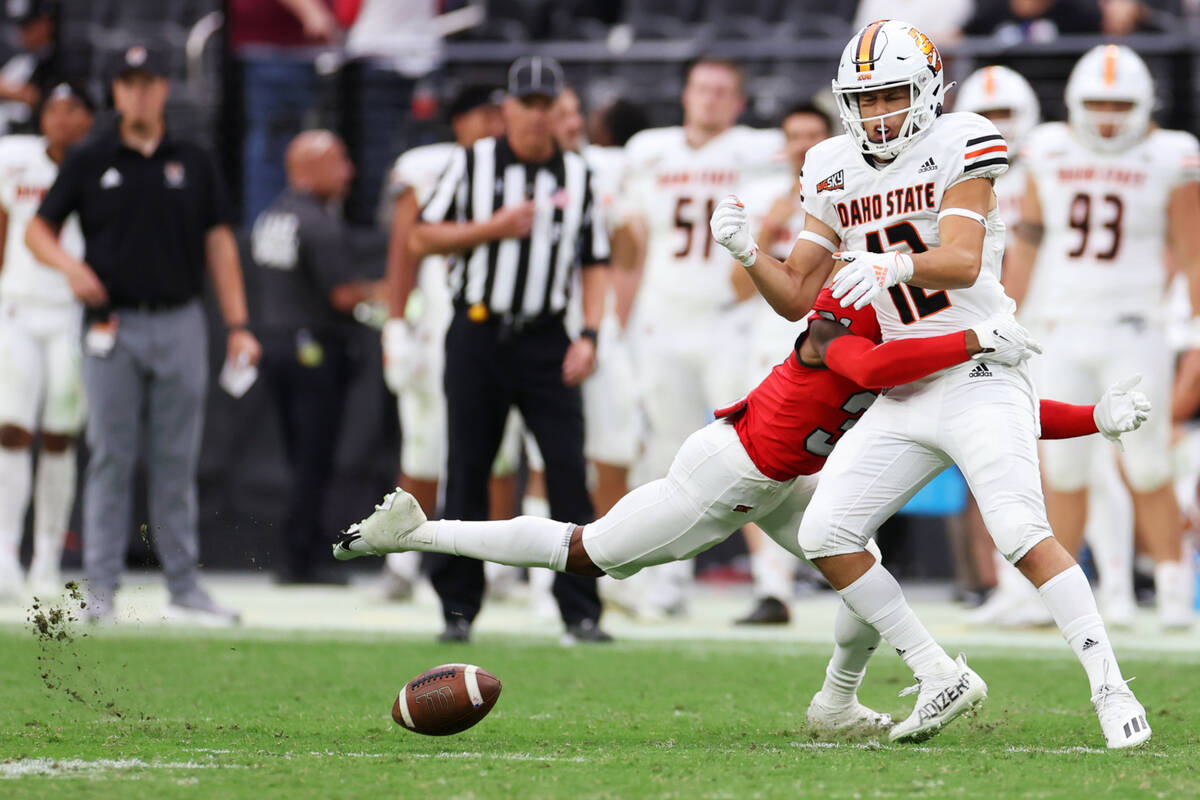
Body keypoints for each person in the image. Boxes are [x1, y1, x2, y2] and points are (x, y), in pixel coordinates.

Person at [335, 288, 1148, 740]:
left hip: (784, 477)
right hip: (731, 475)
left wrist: (1094, 417)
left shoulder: (905, 322)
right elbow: (877, 359)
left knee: (849, 552)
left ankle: (850, 698)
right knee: (588, 553)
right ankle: (419, 531)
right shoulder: (846, 323)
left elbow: (982, 412)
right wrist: (973, 341)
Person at [710, 19, 1150, 749]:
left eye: (890, 96)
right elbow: (795, 296)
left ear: (925, 90)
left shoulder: (962, 141)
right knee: (826, 531)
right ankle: (932, 672)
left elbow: (964, 258)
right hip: (906, 389)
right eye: (865, 99)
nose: (878, 114)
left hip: (981, 369)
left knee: (1018, 531)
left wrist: (894, 266)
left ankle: (1110, 683)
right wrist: (749, 250)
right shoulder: (831, 165)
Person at [26, 44, 260, 624]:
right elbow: (38, 229)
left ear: (163, 90)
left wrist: (237, 324)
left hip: (181, 318)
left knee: (176, 460)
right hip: (113, 324)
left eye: (147, 82)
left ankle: (183, 586)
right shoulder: (90, 157)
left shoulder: (194, 159)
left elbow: (220, 244)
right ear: (116, 93)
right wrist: (71, 268)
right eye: (127, 83)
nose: (137, 93)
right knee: (110, 456)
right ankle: (100, 591)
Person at [407, 56, 611, 644]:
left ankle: (580, 610)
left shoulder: (578, 174)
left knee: (569, 473)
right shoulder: (470, 163)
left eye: (547, 104)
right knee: (467, 471)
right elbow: (422, 235)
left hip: (548, 337)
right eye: (526, 103)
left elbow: (594, 261)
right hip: (477, 332)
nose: (535, 115)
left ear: (557, 111)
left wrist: (590, 334)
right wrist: (491, 228)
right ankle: (457, 609)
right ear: (508, 109)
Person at [1003, 44, 1200, 631]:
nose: (1109, 116)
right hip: (1058, 327)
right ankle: (1063, 598)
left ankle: (1170, 589)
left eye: (1120, 103)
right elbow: (1030, 243)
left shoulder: (1173, 155)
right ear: (1072, 103)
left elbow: (1192, 252)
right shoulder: (1049, 149)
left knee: (1146, 465)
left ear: (1144, 105)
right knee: (1062, 471)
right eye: (1097, 102)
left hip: (1134, 326)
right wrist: (1007, 318)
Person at [619, 58, 785, 618]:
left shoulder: (758, 149)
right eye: (702, 89)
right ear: (685, 94)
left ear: (739, 102)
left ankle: (772, 581)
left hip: (727, 317)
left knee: (751, 448)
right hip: (661, 316)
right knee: (667, 451)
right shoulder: (648, 151)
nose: (711, 100)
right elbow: (631, 242)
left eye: (723, 91)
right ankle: (668, 579)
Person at [377, 84, 508, 600]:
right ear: (458, 120)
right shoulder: (427, 166)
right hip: (435, 323)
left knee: (500, 451)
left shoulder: (521, 167)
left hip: (494, 324)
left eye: (499, 114)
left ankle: (498, 566)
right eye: (484, 114)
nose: (494, 124)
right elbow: (403, 249)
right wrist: (395, 323)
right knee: (423, 444)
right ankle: (403, 563)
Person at [252, 130, 382, 583]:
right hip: (315, 351)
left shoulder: (271, 216)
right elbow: (344, 295)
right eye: (340, 160)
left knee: (298, 456)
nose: (350, 172)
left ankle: (298, 551)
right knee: (314, 457)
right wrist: (386, 293)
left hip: (275, 344)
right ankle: (303, 557)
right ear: (310, 167)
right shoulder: (318, 222)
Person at [731, 102, 834, 626]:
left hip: (834, 345)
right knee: (761, 463)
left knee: (847, 464)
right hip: (772, 343)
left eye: (812, 134)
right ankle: (772, 587)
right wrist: (764, 234)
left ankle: (849, 575)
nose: (802, 144)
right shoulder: (767, 199)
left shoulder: (850, 193)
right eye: (794, 135)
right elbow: (734, 289)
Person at [0, 81, 93, 600]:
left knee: (60, 434)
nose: (60, 118)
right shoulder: (12, 158)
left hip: (70, 311)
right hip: (15, 305)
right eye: (53, 108)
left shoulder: (98, 165)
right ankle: (5, 554)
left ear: (89, 119)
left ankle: (47, 560)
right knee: (11, 428)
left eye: (72, 109)